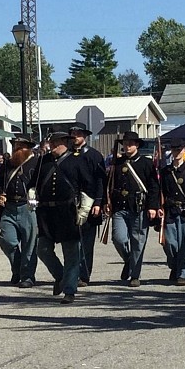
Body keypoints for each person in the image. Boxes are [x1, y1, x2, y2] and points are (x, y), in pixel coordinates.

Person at [30, 131, 95, 304]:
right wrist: (31, 194)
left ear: (65, 143)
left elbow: (88, 186)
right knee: (42, 250)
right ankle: (60, 276)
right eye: (51, 143)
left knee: (71, 253)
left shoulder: (77, 161)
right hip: (46, 213)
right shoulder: (44, 161)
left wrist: (85, 209)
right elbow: (33, 183)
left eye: (56, 143)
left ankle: (69, 290)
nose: (52, 146)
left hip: (68, 212)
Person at [107, 131, 160, 287]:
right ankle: (129, 260)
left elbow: (153, 187)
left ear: (137, 145)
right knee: (119, 239)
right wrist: (107, 202)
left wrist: (152, 206)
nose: (127, 145)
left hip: (139, 207)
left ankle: (135, 275)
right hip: (120, 207)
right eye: (125, 143)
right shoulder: (117, 162)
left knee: (138, 242)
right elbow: (110, 184)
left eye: (131, 143)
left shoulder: (146, 163)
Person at [0, 134, 39, 288]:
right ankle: (17, 269)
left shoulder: (37, 163)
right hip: (10, 206)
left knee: (29, 244)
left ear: (29, 148)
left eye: (21, 146)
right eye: (15, 146)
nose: (17, 149)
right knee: (7, 241)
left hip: (29, 207)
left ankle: (27, 276)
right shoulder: (7, 165)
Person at [68, 121, 106, 287]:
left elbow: (100, 181)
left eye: (78, 134)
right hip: (69, 203)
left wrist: (98, 201)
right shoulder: (66, 154)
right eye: (73, 134)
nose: (75, 137)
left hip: (89, 203)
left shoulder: (94, 155)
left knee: (86, 243)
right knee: (70, 242)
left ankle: (84, 275)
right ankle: (71, 273)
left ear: (84, 136)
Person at [159, 138, 185, 286]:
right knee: (170, 244)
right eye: (174, 150)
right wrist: (159, 207)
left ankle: (182, 273)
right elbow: (161, 191)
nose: (177, 152)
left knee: (184, 244)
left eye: (179, 149)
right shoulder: (166, 172)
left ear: (184, 150)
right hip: (170, 211)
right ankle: (174, 265)